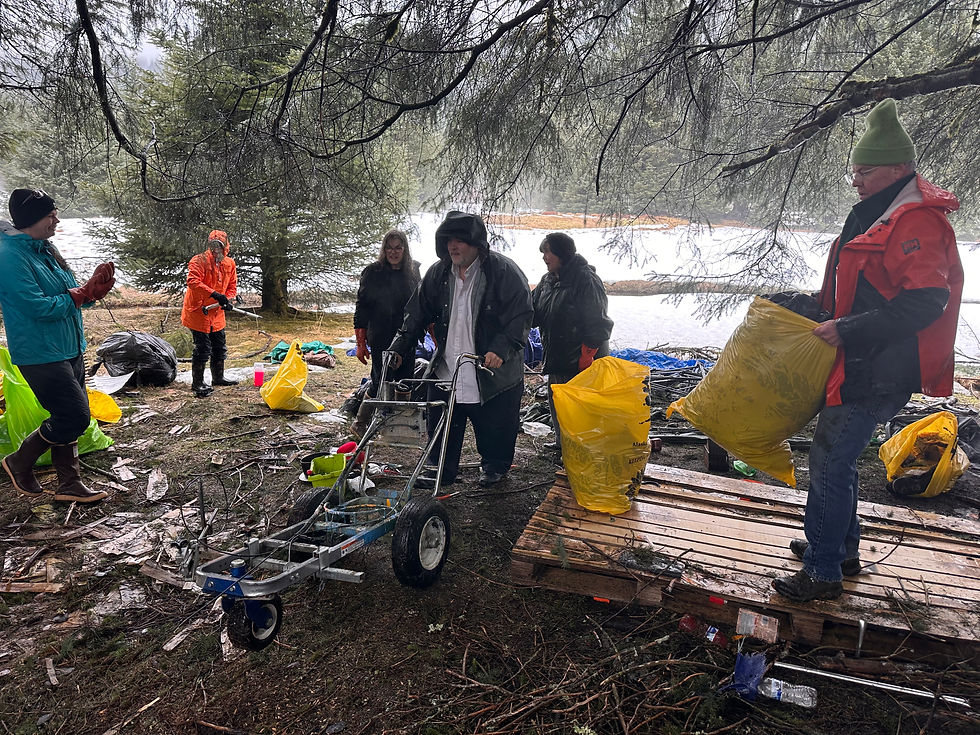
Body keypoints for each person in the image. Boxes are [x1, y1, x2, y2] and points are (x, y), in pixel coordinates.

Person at [772, 99, 963, 603]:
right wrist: (815, 308)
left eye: (864, 171)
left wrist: (849, 329)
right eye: (852, 171)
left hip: (881, 366)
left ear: (898, 169)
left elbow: (926, 302)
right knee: (836, 457)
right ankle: (838, 547)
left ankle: (823, 571)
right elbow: (861, 284)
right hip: (859, 360)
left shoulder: (915, 223)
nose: (855, 180)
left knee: (832, 459)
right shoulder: (877, 213)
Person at [388, 211, 533, 487]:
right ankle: (440, 468)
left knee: (495, 427)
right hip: (447, 368)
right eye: (448, 240)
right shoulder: (438, 273)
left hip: (492, 373)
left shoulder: (504, 272)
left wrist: (501, 349)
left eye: (460, 241)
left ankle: (495, 467)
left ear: (476, 243)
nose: (453, 246)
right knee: (442, 425)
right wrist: (399, 346)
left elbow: (522, 315)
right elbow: (416, 313)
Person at [0, 188, 115, 503]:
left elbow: (70, 294)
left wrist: (91, 292)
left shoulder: (45, 249)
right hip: (39, 353)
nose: (56, 219)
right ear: (32, 219)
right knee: (73, 416)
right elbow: (38, 307)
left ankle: (69, 483)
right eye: (51, 214)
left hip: (69, 345)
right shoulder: (8, 256)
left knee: (71, 415)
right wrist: (80, 295)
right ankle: (20, 461)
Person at [531, 232, 613, 458]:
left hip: (582, 357)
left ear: (562, 253)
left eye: (548, 252)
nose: (544, 257)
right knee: (557, 400)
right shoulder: (548, 280)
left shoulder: (585, 279)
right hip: (557, 355)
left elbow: (598, 321)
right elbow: (533, 311)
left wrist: (588, 354)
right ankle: (562, 444)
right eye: (543, 252)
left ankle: (583, 450)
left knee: (581, 406)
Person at [350, 229, 421, 436]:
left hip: (407, 333)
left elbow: (422, 304)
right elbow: (361, 308)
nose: (394, 252)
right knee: (381, 377)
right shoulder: (373, 272)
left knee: (406, 378)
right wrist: (361, 343)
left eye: (398, 247)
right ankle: (361, 422)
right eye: (389, 248)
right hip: (381, 332)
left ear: (405, 249)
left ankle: (398, 424)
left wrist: (429, 331)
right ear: (384, 250)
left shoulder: (413, 270)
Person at [180, 230, 238, 398]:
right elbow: (192, 282)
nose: (216, 250)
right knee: (203, 348)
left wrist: (227, 300)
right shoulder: (199, 261)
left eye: (220, 246)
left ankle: (218, 378)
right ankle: (197, 383)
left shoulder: (229, 264)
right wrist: (214, 294)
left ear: (226, 247)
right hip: (198, 311)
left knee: (219, 346)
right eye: (213, 246)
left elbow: (232, 286)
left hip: (217, 312)